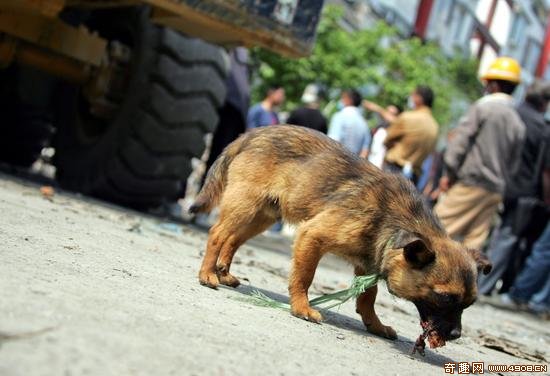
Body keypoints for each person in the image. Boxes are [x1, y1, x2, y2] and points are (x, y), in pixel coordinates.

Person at [434, 57, 526, 250]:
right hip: (494, 192)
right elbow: (514, 166)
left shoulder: (483, 108)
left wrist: (449, 175)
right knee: (471, 250)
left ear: (492, 84)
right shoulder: (517, 122)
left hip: (470, 183)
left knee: (429, 232)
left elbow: (458, 145)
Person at [478, 80, 550, 295]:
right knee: (506, 238)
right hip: (523, 191)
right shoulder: (542, 128)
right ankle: (483, 286)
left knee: (482, 232)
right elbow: (545, 169)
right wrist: (546, 198)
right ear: (545, 103)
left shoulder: (508, 112)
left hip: (491, 178)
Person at [382, 86, 439, 183]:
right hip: (413, 178)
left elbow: (387, 140)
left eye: (412, 95)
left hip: (393, 171)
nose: (410, 98)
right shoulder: (435, 127)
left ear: (419, 98)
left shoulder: (407, 117)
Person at [328, 89, 370, 155]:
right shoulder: (364, 123)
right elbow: (365, 151)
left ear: (349, 100)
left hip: (338, 161)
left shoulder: (339, 116)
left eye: (342, 98)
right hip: (355, 163)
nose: (341, 100)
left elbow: (333, 143)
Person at [361, 101, 401, 166]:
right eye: (387, 111)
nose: (387, 115)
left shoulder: (395, 132)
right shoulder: (379, 128)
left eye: (392, 113)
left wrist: (378, 109)